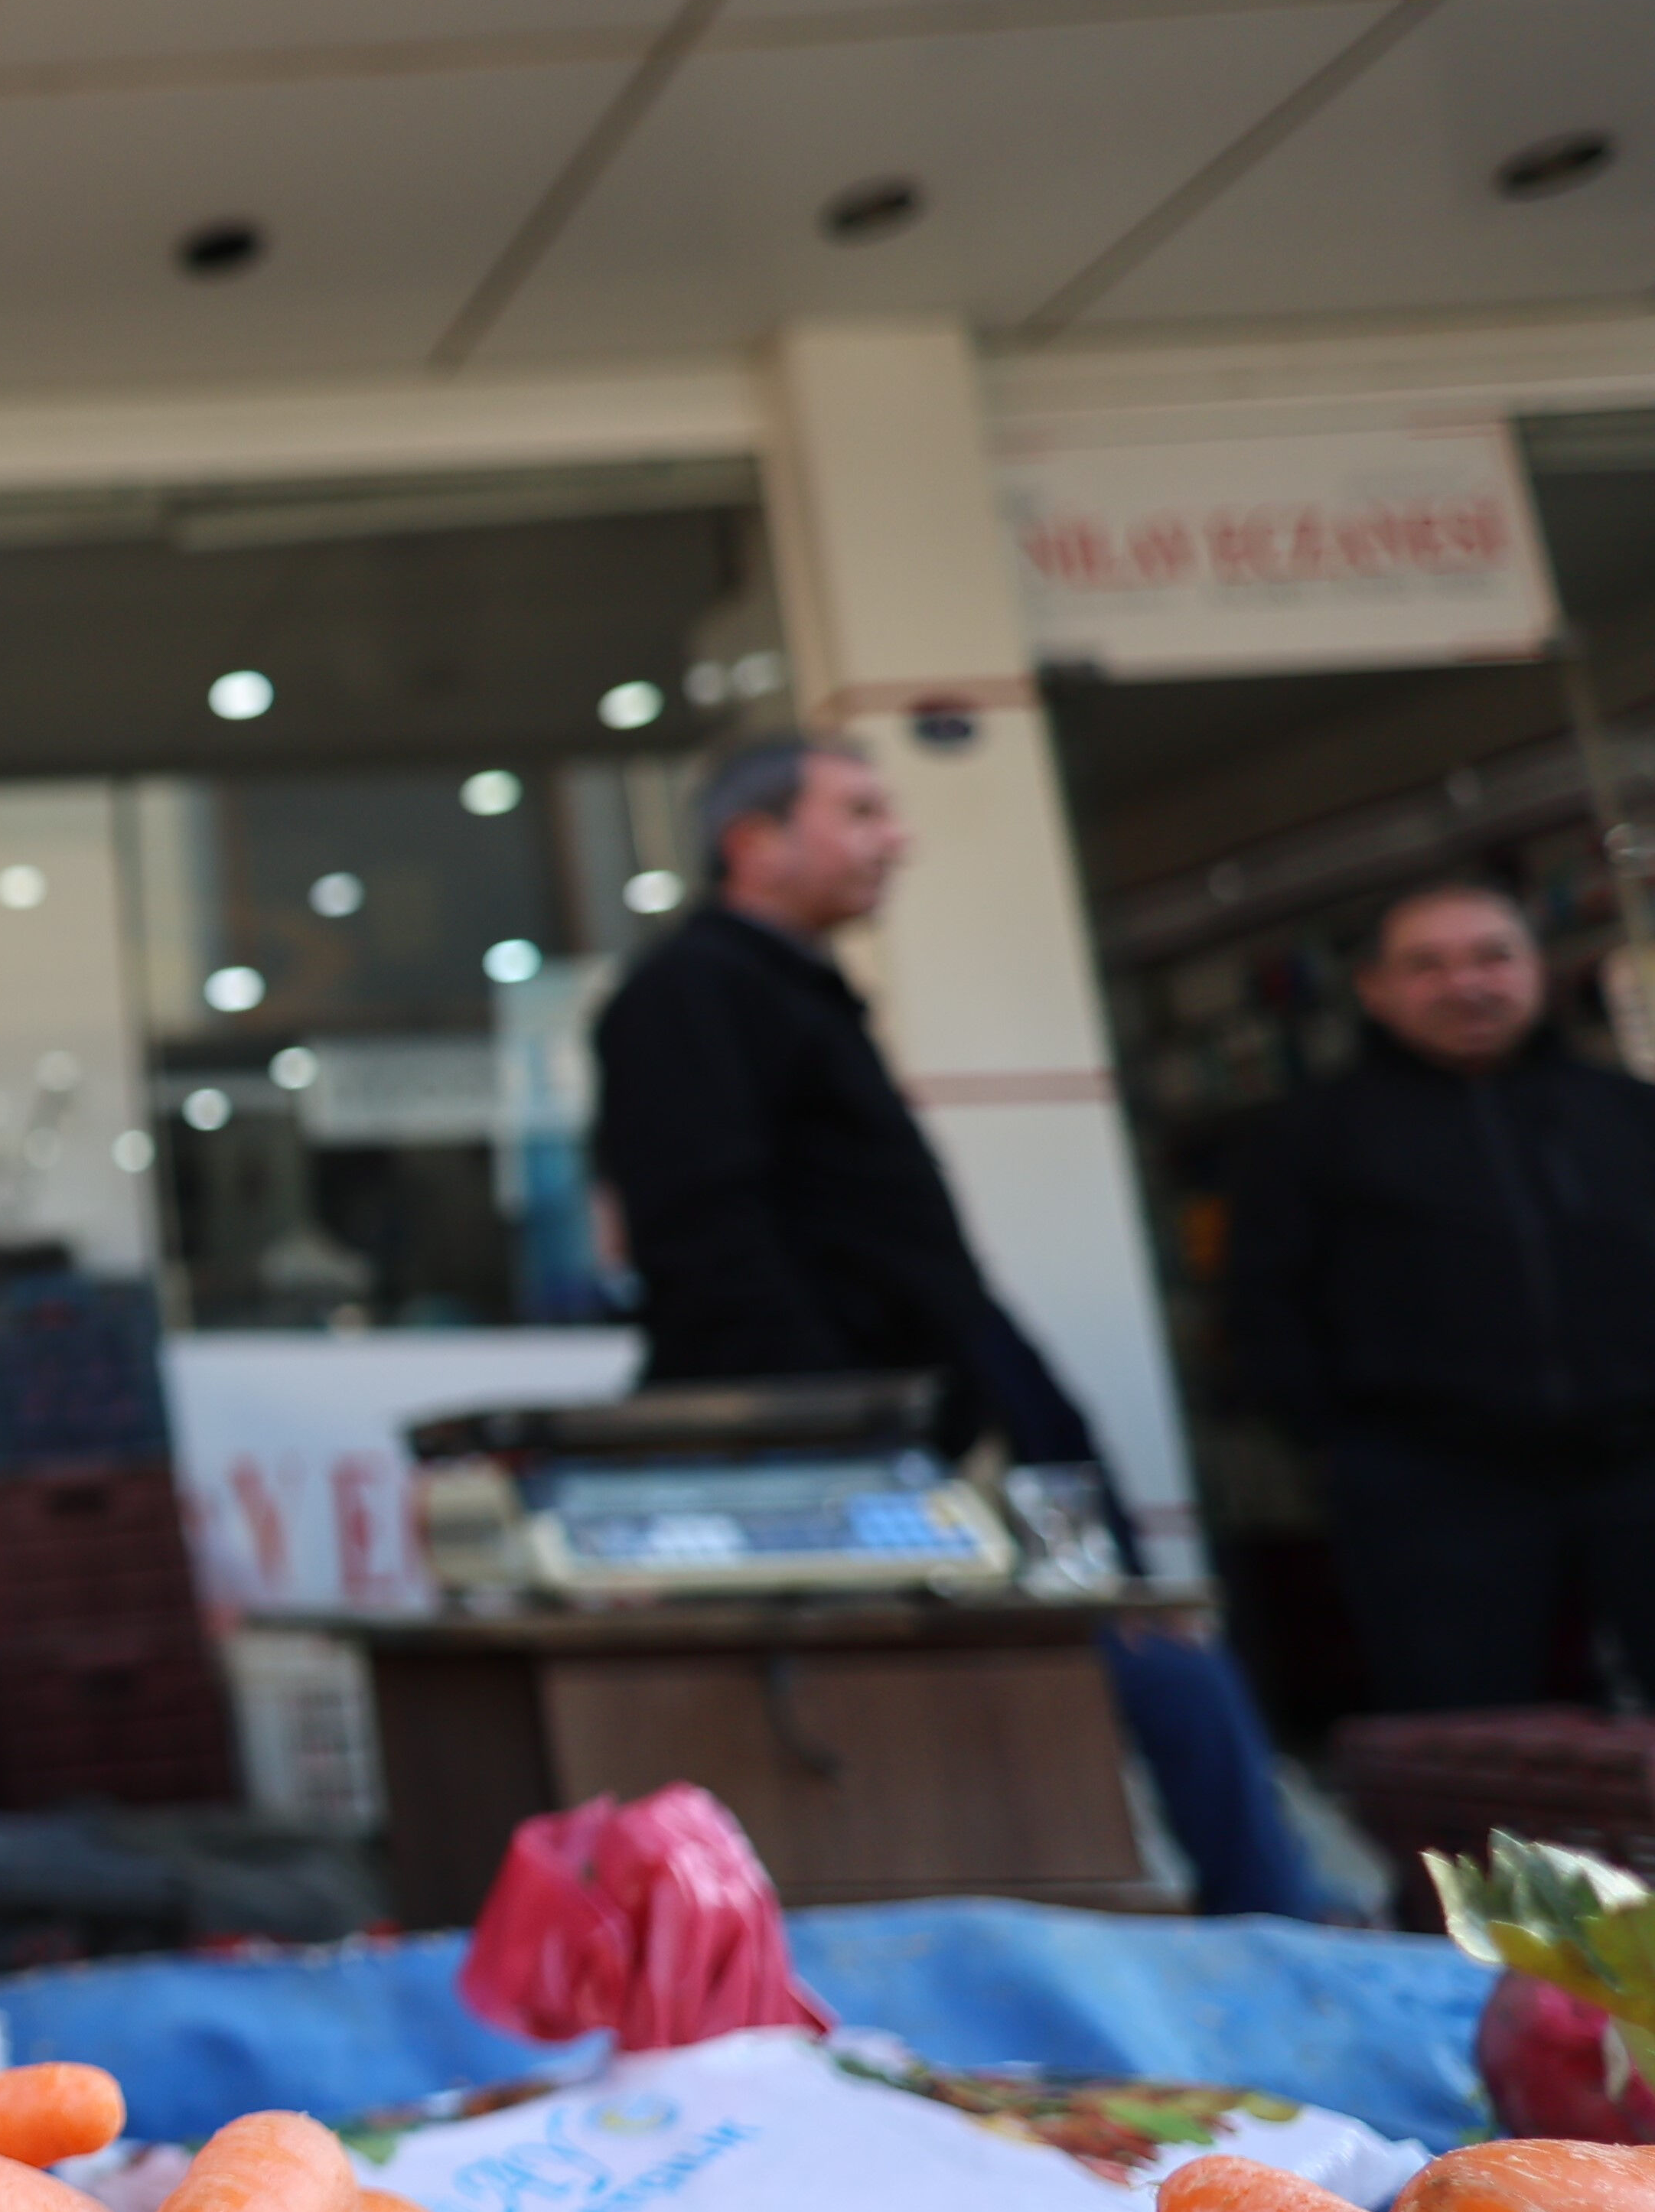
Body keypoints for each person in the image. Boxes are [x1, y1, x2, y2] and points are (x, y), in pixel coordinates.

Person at [593, 732, 1327, 1917]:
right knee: (1129, 1678)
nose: (900, 838)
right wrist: (853, 1455)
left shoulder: (790, 993)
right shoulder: (691, 996)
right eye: (862, 811)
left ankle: (1271, 1932)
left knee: (1158, 1660)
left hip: (931, 1434)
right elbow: (708, 1247)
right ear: (754, 840)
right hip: (850, 1464)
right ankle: (1275, 1937)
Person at [1226, 878, 1655, 1714]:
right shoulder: (1309, 1137)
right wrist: (1337, 1447)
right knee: (1472, 1737)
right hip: (1435, 1486)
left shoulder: (1629, 1114)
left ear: (1539, 971)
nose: (1467, 984)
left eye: (1493, 957)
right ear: (1374, 990)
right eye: (1428, 965)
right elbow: (1264, 1302)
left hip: (1641, 1463)